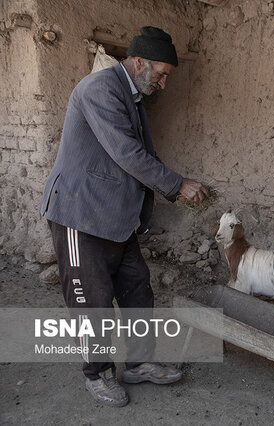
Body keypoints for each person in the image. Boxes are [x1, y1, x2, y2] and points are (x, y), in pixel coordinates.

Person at [39, 26, 209, 407]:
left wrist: (165, 185)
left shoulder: (129, 96)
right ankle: (97, 373)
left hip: (114, 216)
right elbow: (127, 155)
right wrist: (177, 184)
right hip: (79, 214)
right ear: (139, 61)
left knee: (137, 288)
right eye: (162, 73)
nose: (164, 83)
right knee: (91, 301)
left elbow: (140, 154)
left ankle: (138, 362)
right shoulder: (99, 89)